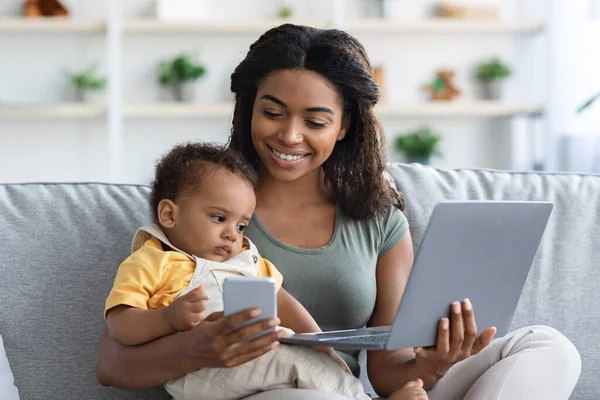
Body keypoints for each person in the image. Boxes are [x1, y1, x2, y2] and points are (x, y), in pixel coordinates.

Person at [97, 23, 581, 400]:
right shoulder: (205, 204)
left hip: (354, 389)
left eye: (315, 120)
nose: (289, 136)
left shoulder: (377, 215)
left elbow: (389, 371)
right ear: (248, 109)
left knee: (546, 347)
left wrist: (433, 364)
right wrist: (196, 347)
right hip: (257, 390)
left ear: (345, 125)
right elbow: (112, 365)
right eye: (273, 112)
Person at [103, 142, 426, 400]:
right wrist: (168, 319)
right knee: (295, 363)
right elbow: (120, 325)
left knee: (303, 361)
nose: (233, 234)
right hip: (202, 376)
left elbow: (285, 303)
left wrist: (324, 348)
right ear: (169, 214)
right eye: (218, 218)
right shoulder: (151, 261)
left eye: (241, 224)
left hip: (259, 360)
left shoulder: (245, 258)